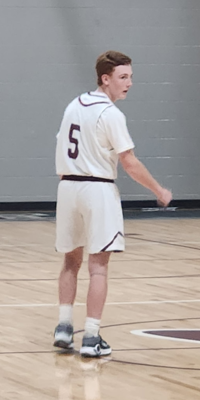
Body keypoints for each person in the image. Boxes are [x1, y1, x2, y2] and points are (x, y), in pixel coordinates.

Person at [53, 50, 173, 357]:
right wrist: (159, 190)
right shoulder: (111, 114)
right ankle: (91, 337)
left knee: (70, 260)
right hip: (97, 189)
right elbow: (129, 163)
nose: (129, 83)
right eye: (123, 77)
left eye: (131, 77)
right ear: (105, 79)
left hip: (67, 189)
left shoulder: (73, 105)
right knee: (99, 268)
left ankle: (64, 328)